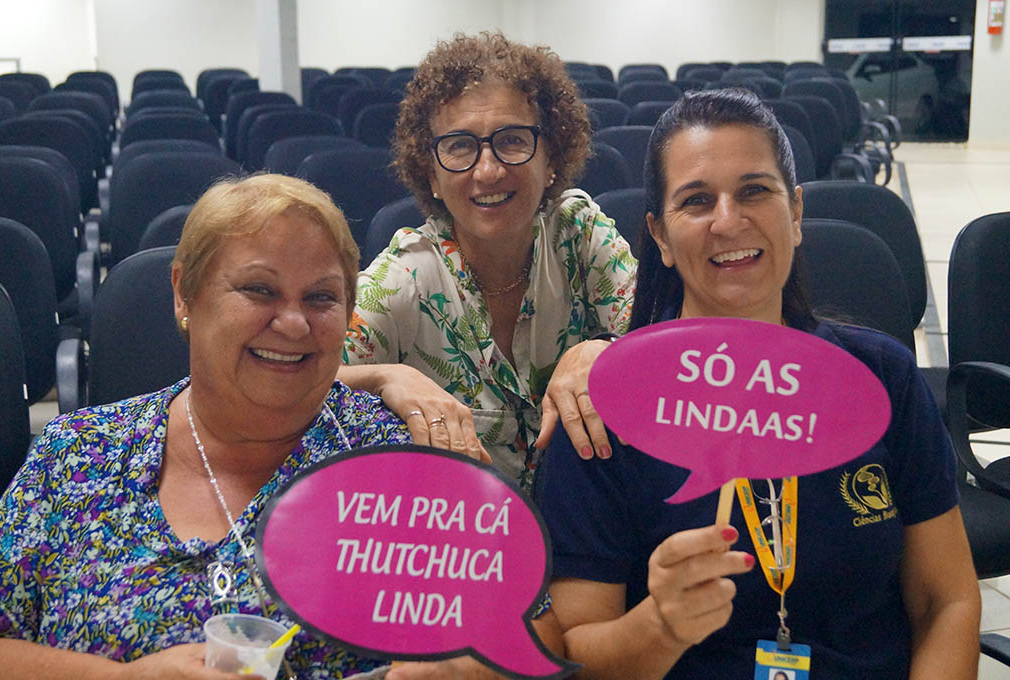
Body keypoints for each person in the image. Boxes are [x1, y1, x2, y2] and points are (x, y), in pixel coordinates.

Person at [533, 89, 981, 678]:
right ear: (660, 237)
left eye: (754, 191)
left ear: (794, 214)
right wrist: (659, 627)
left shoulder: (881, 378)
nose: (728, 220)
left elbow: (946, 601)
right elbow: (572, 653)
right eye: (697, 200)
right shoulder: (602, 412)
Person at [0, 175, 412, 678]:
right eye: (259, 289)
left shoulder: (397, 462)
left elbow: (487, 638)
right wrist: (122, 678)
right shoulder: (76, 455)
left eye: (321, 297)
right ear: (184, 294)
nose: (295, 323)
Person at [340, 32, 636, 489]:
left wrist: (606, 346)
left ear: (551, 158)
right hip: (462, 529)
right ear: (432, 175)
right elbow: (304, 384)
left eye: (512, 140)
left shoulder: (579, 233)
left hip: (592, 521)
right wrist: (384, 377)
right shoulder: (404, 280)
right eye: (460, 146)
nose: (488, 170)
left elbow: (665, 336)